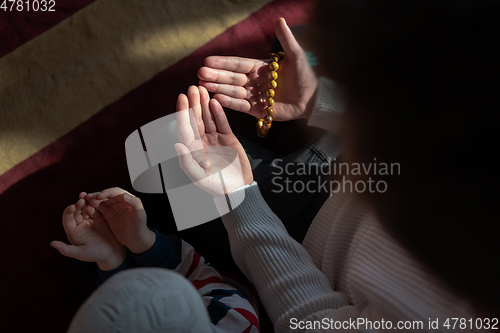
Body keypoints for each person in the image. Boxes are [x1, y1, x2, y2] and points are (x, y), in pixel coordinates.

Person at [175, 1, 499, 330]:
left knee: (167, 158)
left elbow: (313, 320)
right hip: (355, 177)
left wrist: (238, 199)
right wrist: (316, 100)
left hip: (305, 242)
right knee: (302, 43)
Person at [51, 188, 260, 333]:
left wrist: (111, 260)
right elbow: (193, 275)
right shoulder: (236, 321)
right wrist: (142, 241)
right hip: (212, 283)